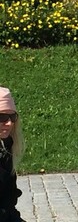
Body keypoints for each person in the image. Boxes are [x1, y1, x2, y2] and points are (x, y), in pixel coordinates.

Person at [0, 87, 25, 221]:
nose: (9, 123)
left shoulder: (6, 146)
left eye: (12, 117)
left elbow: (8, 202)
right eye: (2, 117)